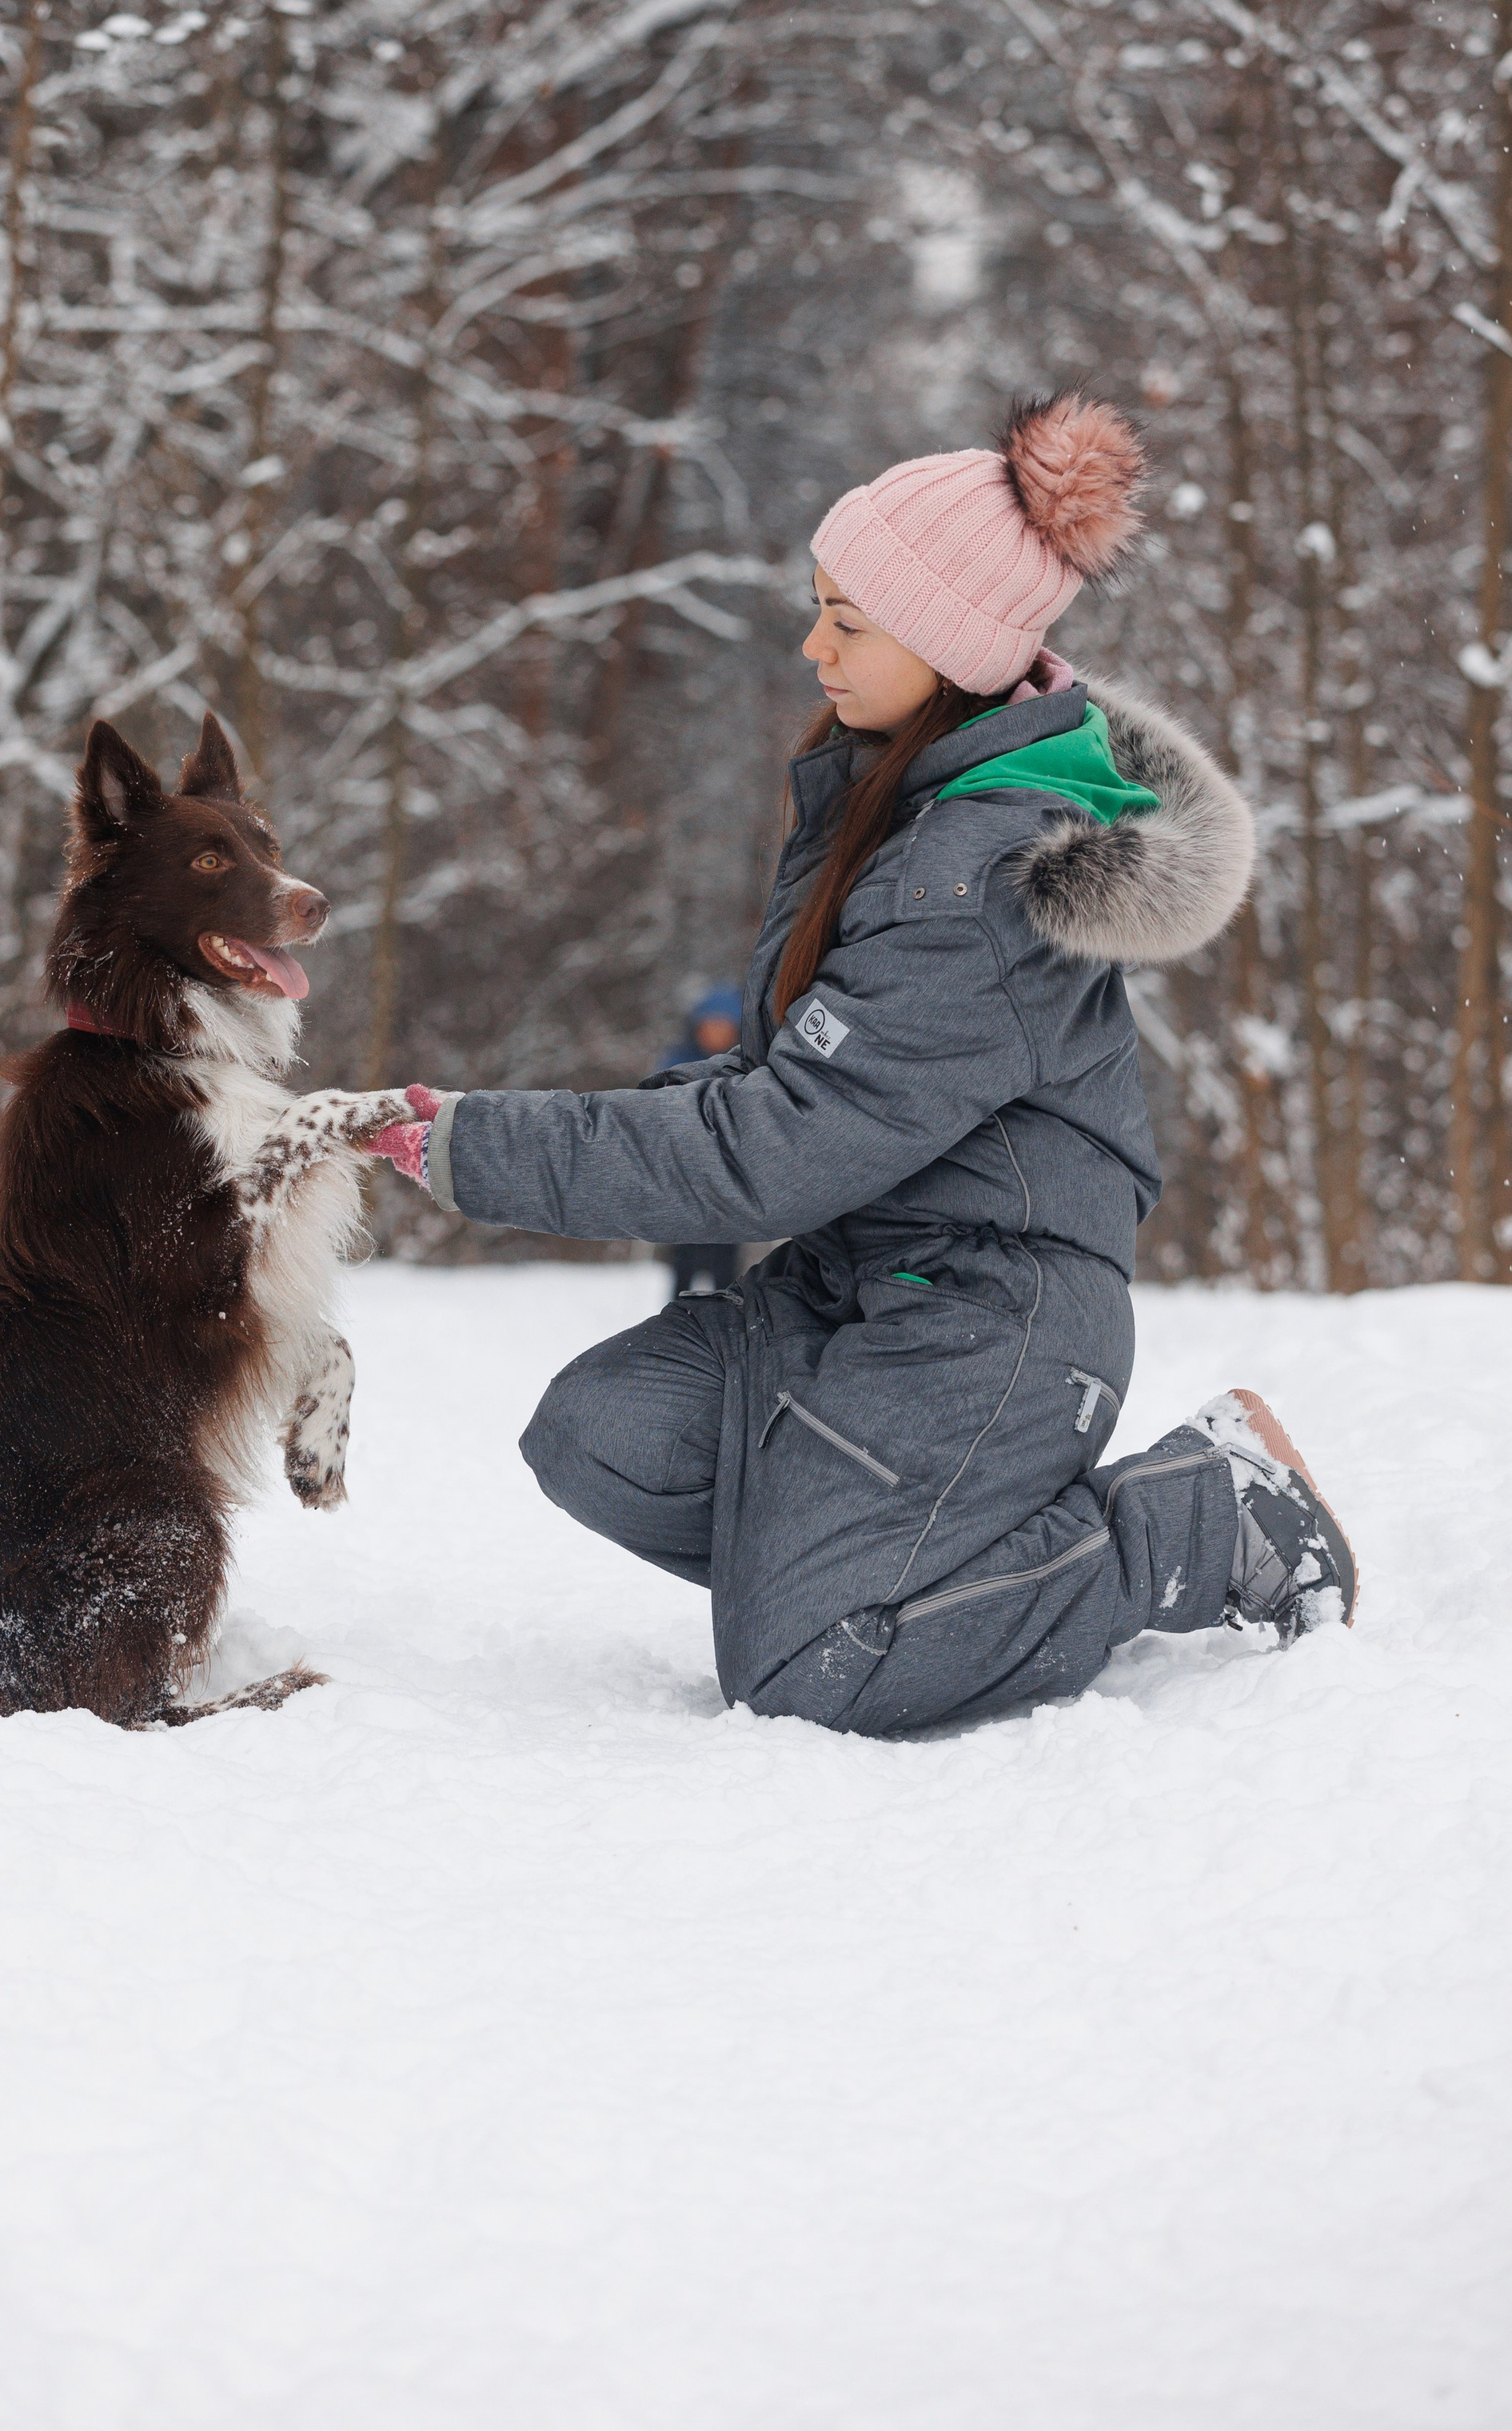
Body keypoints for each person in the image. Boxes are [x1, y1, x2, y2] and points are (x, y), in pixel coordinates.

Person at [361, 396, 1357, 1739]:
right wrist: (491, 1131)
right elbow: (772, 1099)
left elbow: (777, 1146)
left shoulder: (975, 877)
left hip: (991, 1315)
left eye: (848, 620)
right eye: (818, 608)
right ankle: (865, 1573)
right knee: (602, 1433)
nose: (812, 645)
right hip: (858, 1283)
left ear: (949, 647)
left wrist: (477, 1144)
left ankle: (1204, 1517)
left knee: (813, 1667)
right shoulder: (893, 808)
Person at [658, 985, 744, 1299]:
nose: (717, 1033)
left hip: (730, 1179)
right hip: (685, 1177)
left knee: (726, 1262)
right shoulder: (678, 1061)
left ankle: (728, 1315)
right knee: (684, 1258)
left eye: (724, 1026)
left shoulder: (745, 1063)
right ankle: (676, 1315)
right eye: (711, 1024)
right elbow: (655, 1110)